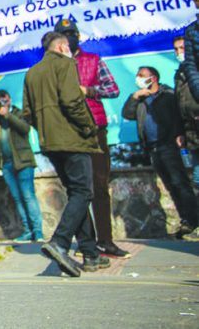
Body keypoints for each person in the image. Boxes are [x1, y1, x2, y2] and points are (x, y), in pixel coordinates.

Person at [23, 31, 107, 277]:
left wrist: (46, 130)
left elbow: (27, 113)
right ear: (61, 47)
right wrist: (88, 127)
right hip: (72, 139)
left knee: (75, 194)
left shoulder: (32, 72)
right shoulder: (65, 64)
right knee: (83, 192)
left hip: (49, 142)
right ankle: (60, 242)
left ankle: (90, 253)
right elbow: (72, 101)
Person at [54, 17, 125, 258]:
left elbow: (113, 89)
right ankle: (87, 243)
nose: (68, 38)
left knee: (99, 184)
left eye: (71, 33)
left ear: (78, 36)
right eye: (63, 35)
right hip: (69, 131)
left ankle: (105, 239)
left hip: (95, 129)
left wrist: (89, 91)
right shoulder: (53, 66)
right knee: (77, 188)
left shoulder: (93, 60)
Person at [121, 66, 198, 237]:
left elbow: (178, 116)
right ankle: (186, 221)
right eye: (137, 75)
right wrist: (135, 96)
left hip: (169, 146)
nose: (138, 78)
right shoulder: (140, 99)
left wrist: (180, 134)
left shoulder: (167, 95)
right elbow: (127, 113)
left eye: (142, 75)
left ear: (153, 78)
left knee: (180, 183)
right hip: (153, 148)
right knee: (171, 186)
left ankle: (193, 220)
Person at [0, 89, 43, 243]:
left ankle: (38, 232)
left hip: (23, 161)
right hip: (7, 164)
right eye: (0, 100)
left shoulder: (17, 113)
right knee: (17, 198)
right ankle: (27, 231)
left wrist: (7, 115)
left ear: (9, 99)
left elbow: (25, 128)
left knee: (28, 196)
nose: (3, 102)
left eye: (5, 99)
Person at [175, 31, 199, 190]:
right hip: (192, 133)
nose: (179, 52)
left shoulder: (194, 71)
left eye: (182, 48)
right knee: (197, 180)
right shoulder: (179, 74)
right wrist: (181, 131)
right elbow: (180, 106)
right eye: (176, 49)